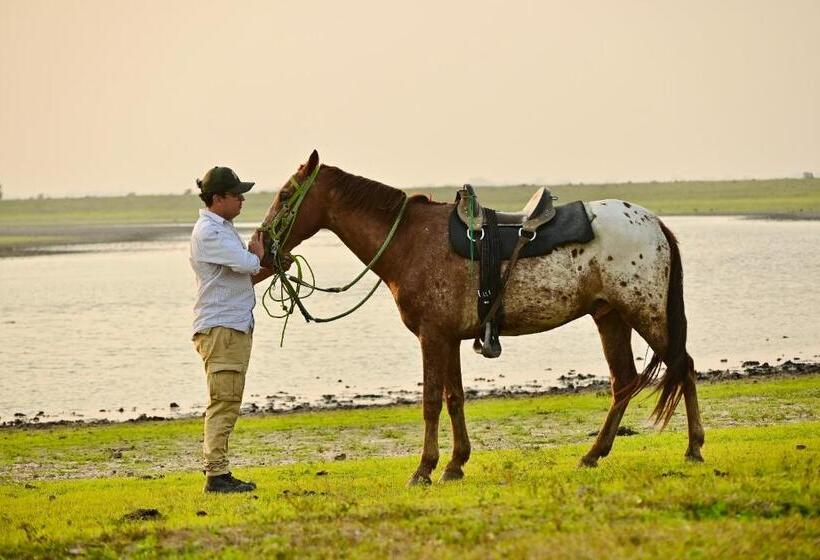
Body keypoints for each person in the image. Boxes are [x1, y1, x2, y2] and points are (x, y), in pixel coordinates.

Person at [190, 166, 272, 493]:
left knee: (227, 399)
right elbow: (249, 264)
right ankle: (217, 474)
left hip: (230, 326)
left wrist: (270, 265)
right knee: (224, 401)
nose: (241, 200)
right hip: (222, 329)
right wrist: (259, 255)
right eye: (236, 194)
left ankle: (219, 470)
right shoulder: (211, 232)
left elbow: (245, 276)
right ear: (218, 198)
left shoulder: (221, 229)